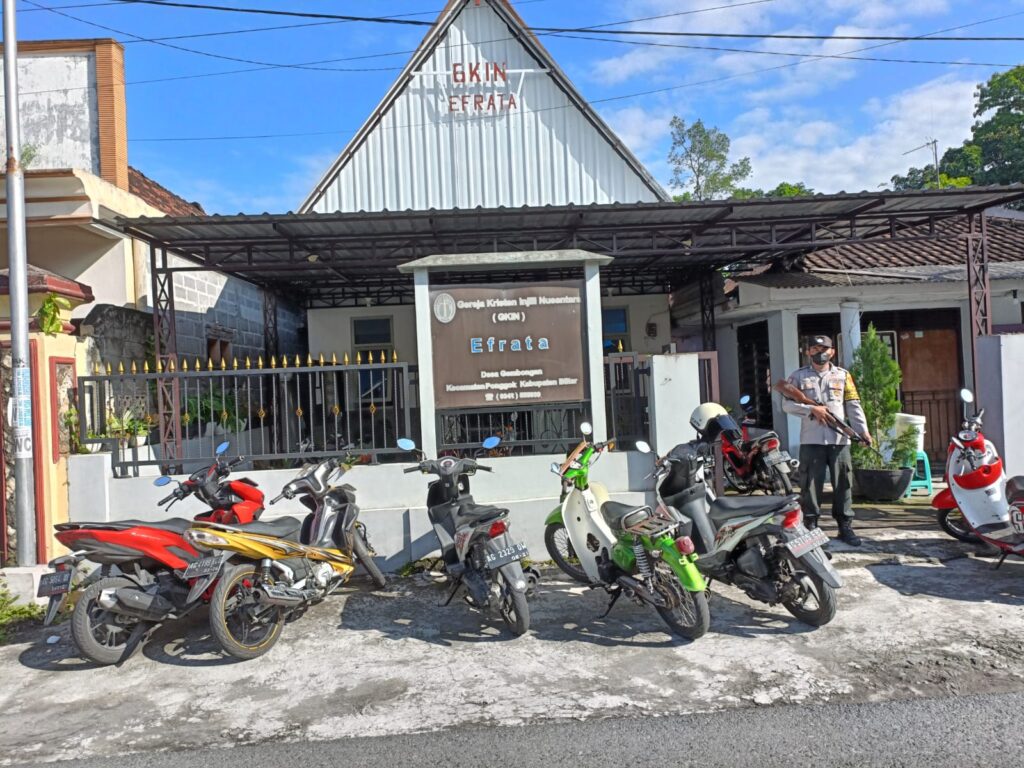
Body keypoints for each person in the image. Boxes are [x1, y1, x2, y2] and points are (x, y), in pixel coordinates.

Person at [782, 335, 873, 546]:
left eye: (824, 349)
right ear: (808, 352)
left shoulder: (843, 376)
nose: (820, 352)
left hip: (839, 439)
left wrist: (863, 431)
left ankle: (844, 526)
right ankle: (811, 525)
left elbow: (853, 405)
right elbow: (786, 405)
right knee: (810, 484)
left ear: (832, 352)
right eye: (815, 349)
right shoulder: (797, 377)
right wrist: (811, 409)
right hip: (811, 440)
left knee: (843, 484)